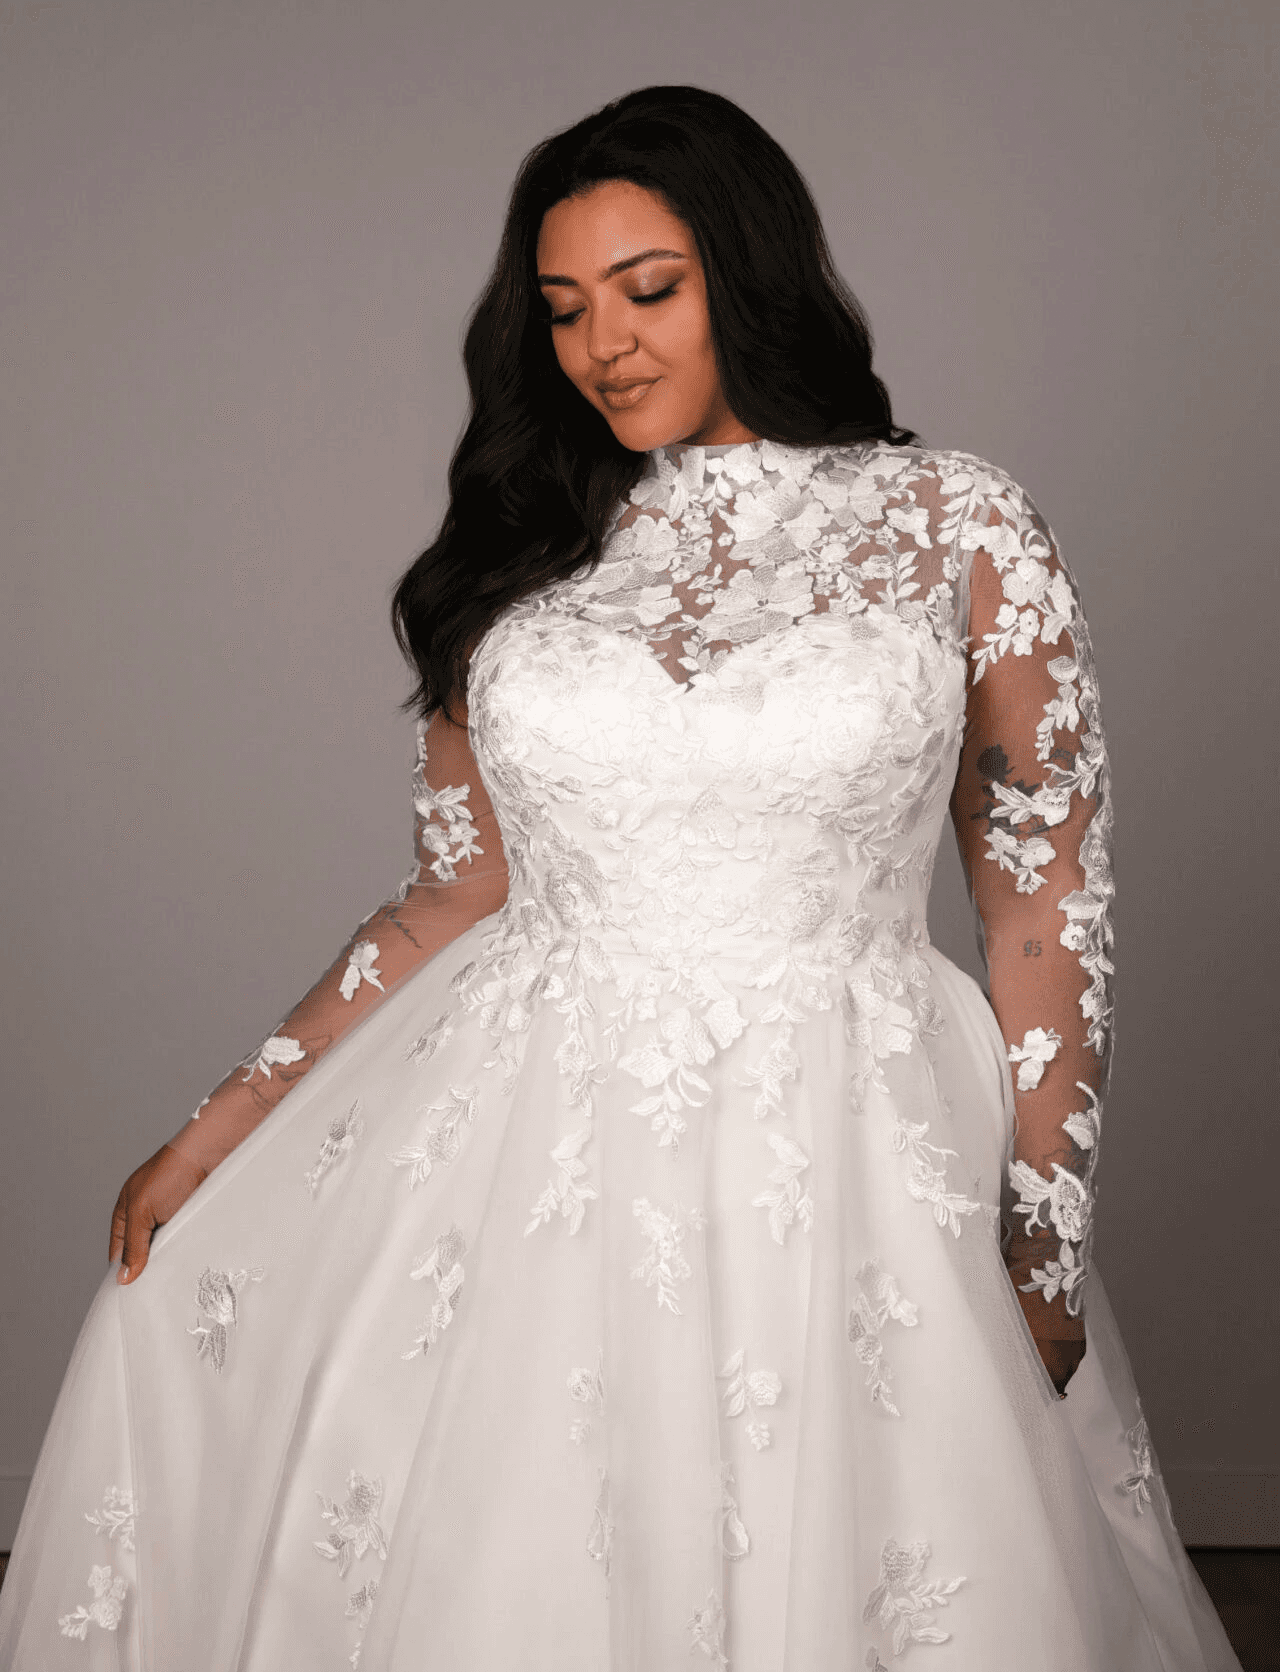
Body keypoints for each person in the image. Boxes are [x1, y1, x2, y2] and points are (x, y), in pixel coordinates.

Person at [0, 84, 1242, 1672]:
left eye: (649, 290)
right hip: (539, 1146)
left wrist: (1047, 1232)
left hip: (852, 1137)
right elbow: (450, 895)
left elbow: (1044, 897)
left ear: (750, 270)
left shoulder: (956, 524)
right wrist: (220, 1125)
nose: (605, 346)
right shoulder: (524, 547)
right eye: (566, 308)